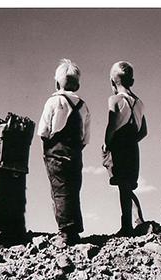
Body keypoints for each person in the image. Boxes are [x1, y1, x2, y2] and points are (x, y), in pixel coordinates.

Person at [38, 59, 90, 246]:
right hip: (75, 153)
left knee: (59, 190)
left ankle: (65, 232)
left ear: (56, 83)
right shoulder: (83, 106)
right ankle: (75, 230)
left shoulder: (52, 101)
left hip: (55, 153)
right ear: (78, 84)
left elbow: (43, 131)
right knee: (74, 189)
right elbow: (85, 137)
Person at [102, 61, 148, 236]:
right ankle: (138, 220)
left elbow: (112, 125)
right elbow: (144, 130)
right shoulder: (139, 103)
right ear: (132, 81)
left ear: (113, 82)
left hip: (118, 145)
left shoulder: (114, 100)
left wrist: (107, 143)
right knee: (128, 186)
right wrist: (132, 141)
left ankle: (126, 226)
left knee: (122, 186)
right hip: (133, 146)